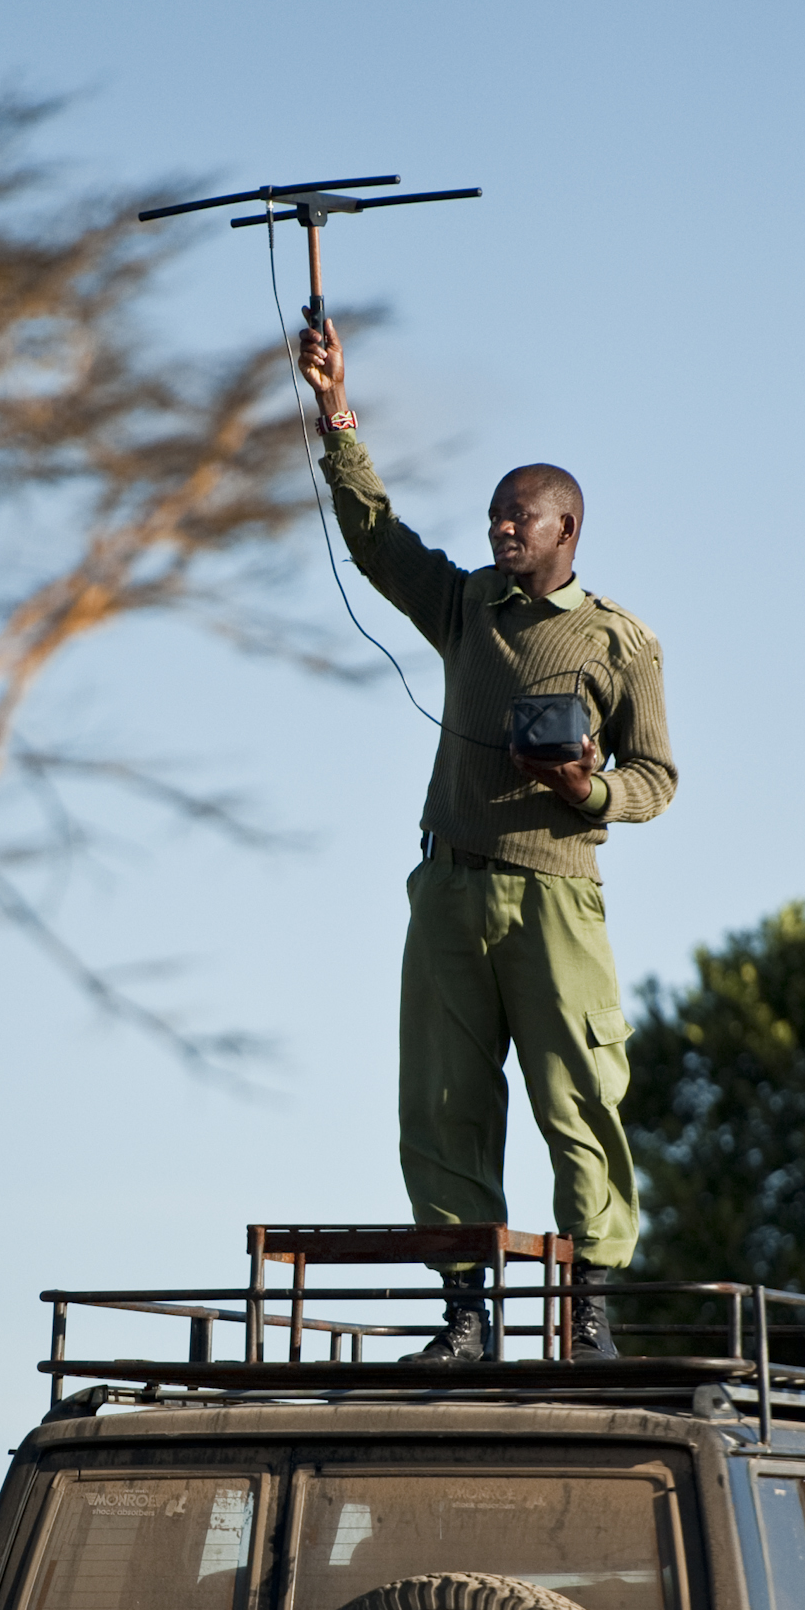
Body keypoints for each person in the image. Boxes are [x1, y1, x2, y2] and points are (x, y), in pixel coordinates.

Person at [298, 318, 677, 1363]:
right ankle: (464, 1318)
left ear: (566, 530)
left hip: (556, 896)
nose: (500, 530)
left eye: (519, 518)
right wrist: (337, 414)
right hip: (451, 888)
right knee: (443, 1103)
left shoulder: (619, 641)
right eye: (495, 516)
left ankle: (587, 1313)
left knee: (579, 1100)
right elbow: (378, 540)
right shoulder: (467, 607)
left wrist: (586, 787)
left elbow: (658, 779)